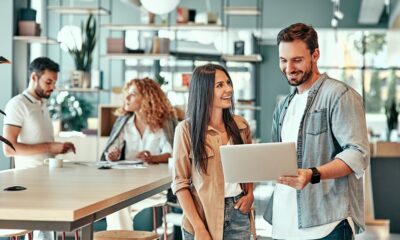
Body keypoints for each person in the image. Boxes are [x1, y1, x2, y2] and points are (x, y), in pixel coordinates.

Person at [263, 23, 370, 240]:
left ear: (315, 55)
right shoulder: (283, 105)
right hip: (284, 224)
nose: (289, 68)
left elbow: (357, 154)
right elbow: (276, 157)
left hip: (325, 225)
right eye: (283, 60)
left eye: (297, 60)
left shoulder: (339, 95)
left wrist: (312, 174)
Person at [172, 64, 254, 240]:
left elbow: (248, 169)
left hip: (238, 214)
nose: (229, 89)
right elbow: (180, 183)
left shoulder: (241, 126)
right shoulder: (186, 130)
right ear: (204, 91)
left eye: (228, 83)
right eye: (220, 85)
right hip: (202, 217)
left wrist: (250, 195)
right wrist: (199, 227)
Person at [2, 57, 76, 240]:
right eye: (48, 81)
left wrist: (58, 148)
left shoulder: (41, 104)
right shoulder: (18, 104)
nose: (52, 87)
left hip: (46, 180)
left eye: (54, 82)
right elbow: (9, 149)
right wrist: (50, 146)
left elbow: (39, 141)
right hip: (29, 183)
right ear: (34, 77)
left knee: (47, 233)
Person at [100, 77, 176, 230]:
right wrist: (112, 155)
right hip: (126, 186)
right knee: (118, 204)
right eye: (127, 94)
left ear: (147, 98)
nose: (127, 98)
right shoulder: (124, 122)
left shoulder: (164, 122)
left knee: (116, 205)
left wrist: (153, 158)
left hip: (155, 187)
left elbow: (173, 154)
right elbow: (111, 151)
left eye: (133, 94)